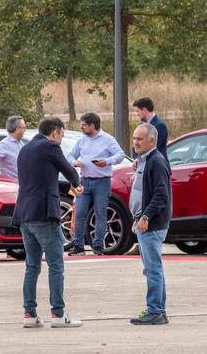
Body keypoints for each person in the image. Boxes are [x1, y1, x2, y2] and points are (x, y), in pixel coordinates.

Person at [13, 117, 84, 329]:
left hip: (25, 214)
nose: (61, 139)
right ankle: (58, 314)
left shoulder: (25, 149)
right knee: (55, 265)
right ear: (55, 132)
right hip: (44, 214)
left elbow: (42, 179)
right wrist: (76, 183)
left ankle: (29, 314)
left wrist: (66, 185)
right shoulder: (51, 147)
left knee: (32, 266)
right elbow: (70, 171)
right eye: (62, 135)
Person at [129, 122, 172, 326]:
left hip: (151, 224)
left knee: (153, 269)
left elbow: (161, 195)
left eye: (140, 139)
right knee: (153, 268)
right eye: (135, 138)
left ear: (152, 141)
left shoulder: (156, 161)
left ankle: (154, 310)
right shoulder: (145, 160)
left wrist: (145, 217)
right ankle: (158, 310)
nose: (135, 142)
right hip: (144, 222)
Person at [66, 112, 125, 255]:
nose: (81, 127)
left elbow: (120, 155)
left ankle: (98, 245)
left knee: (100, 214)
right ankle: (79, 246)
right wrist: (75, 162)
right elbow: (70, 155)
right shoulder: (82, 140)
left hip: (102, 182)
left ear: (92, 125)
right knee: (79, 213)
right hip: (84, 181)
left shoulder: (108, 139)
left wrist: (106, 162)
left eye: (84, 125)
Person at [0, 115, 25, 179]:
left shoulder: (21, 144)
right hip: (11, 184)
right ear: (17, 129)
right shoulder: (4, 144)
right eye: (24, 128)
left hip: (23, 183)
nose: (25, 130)